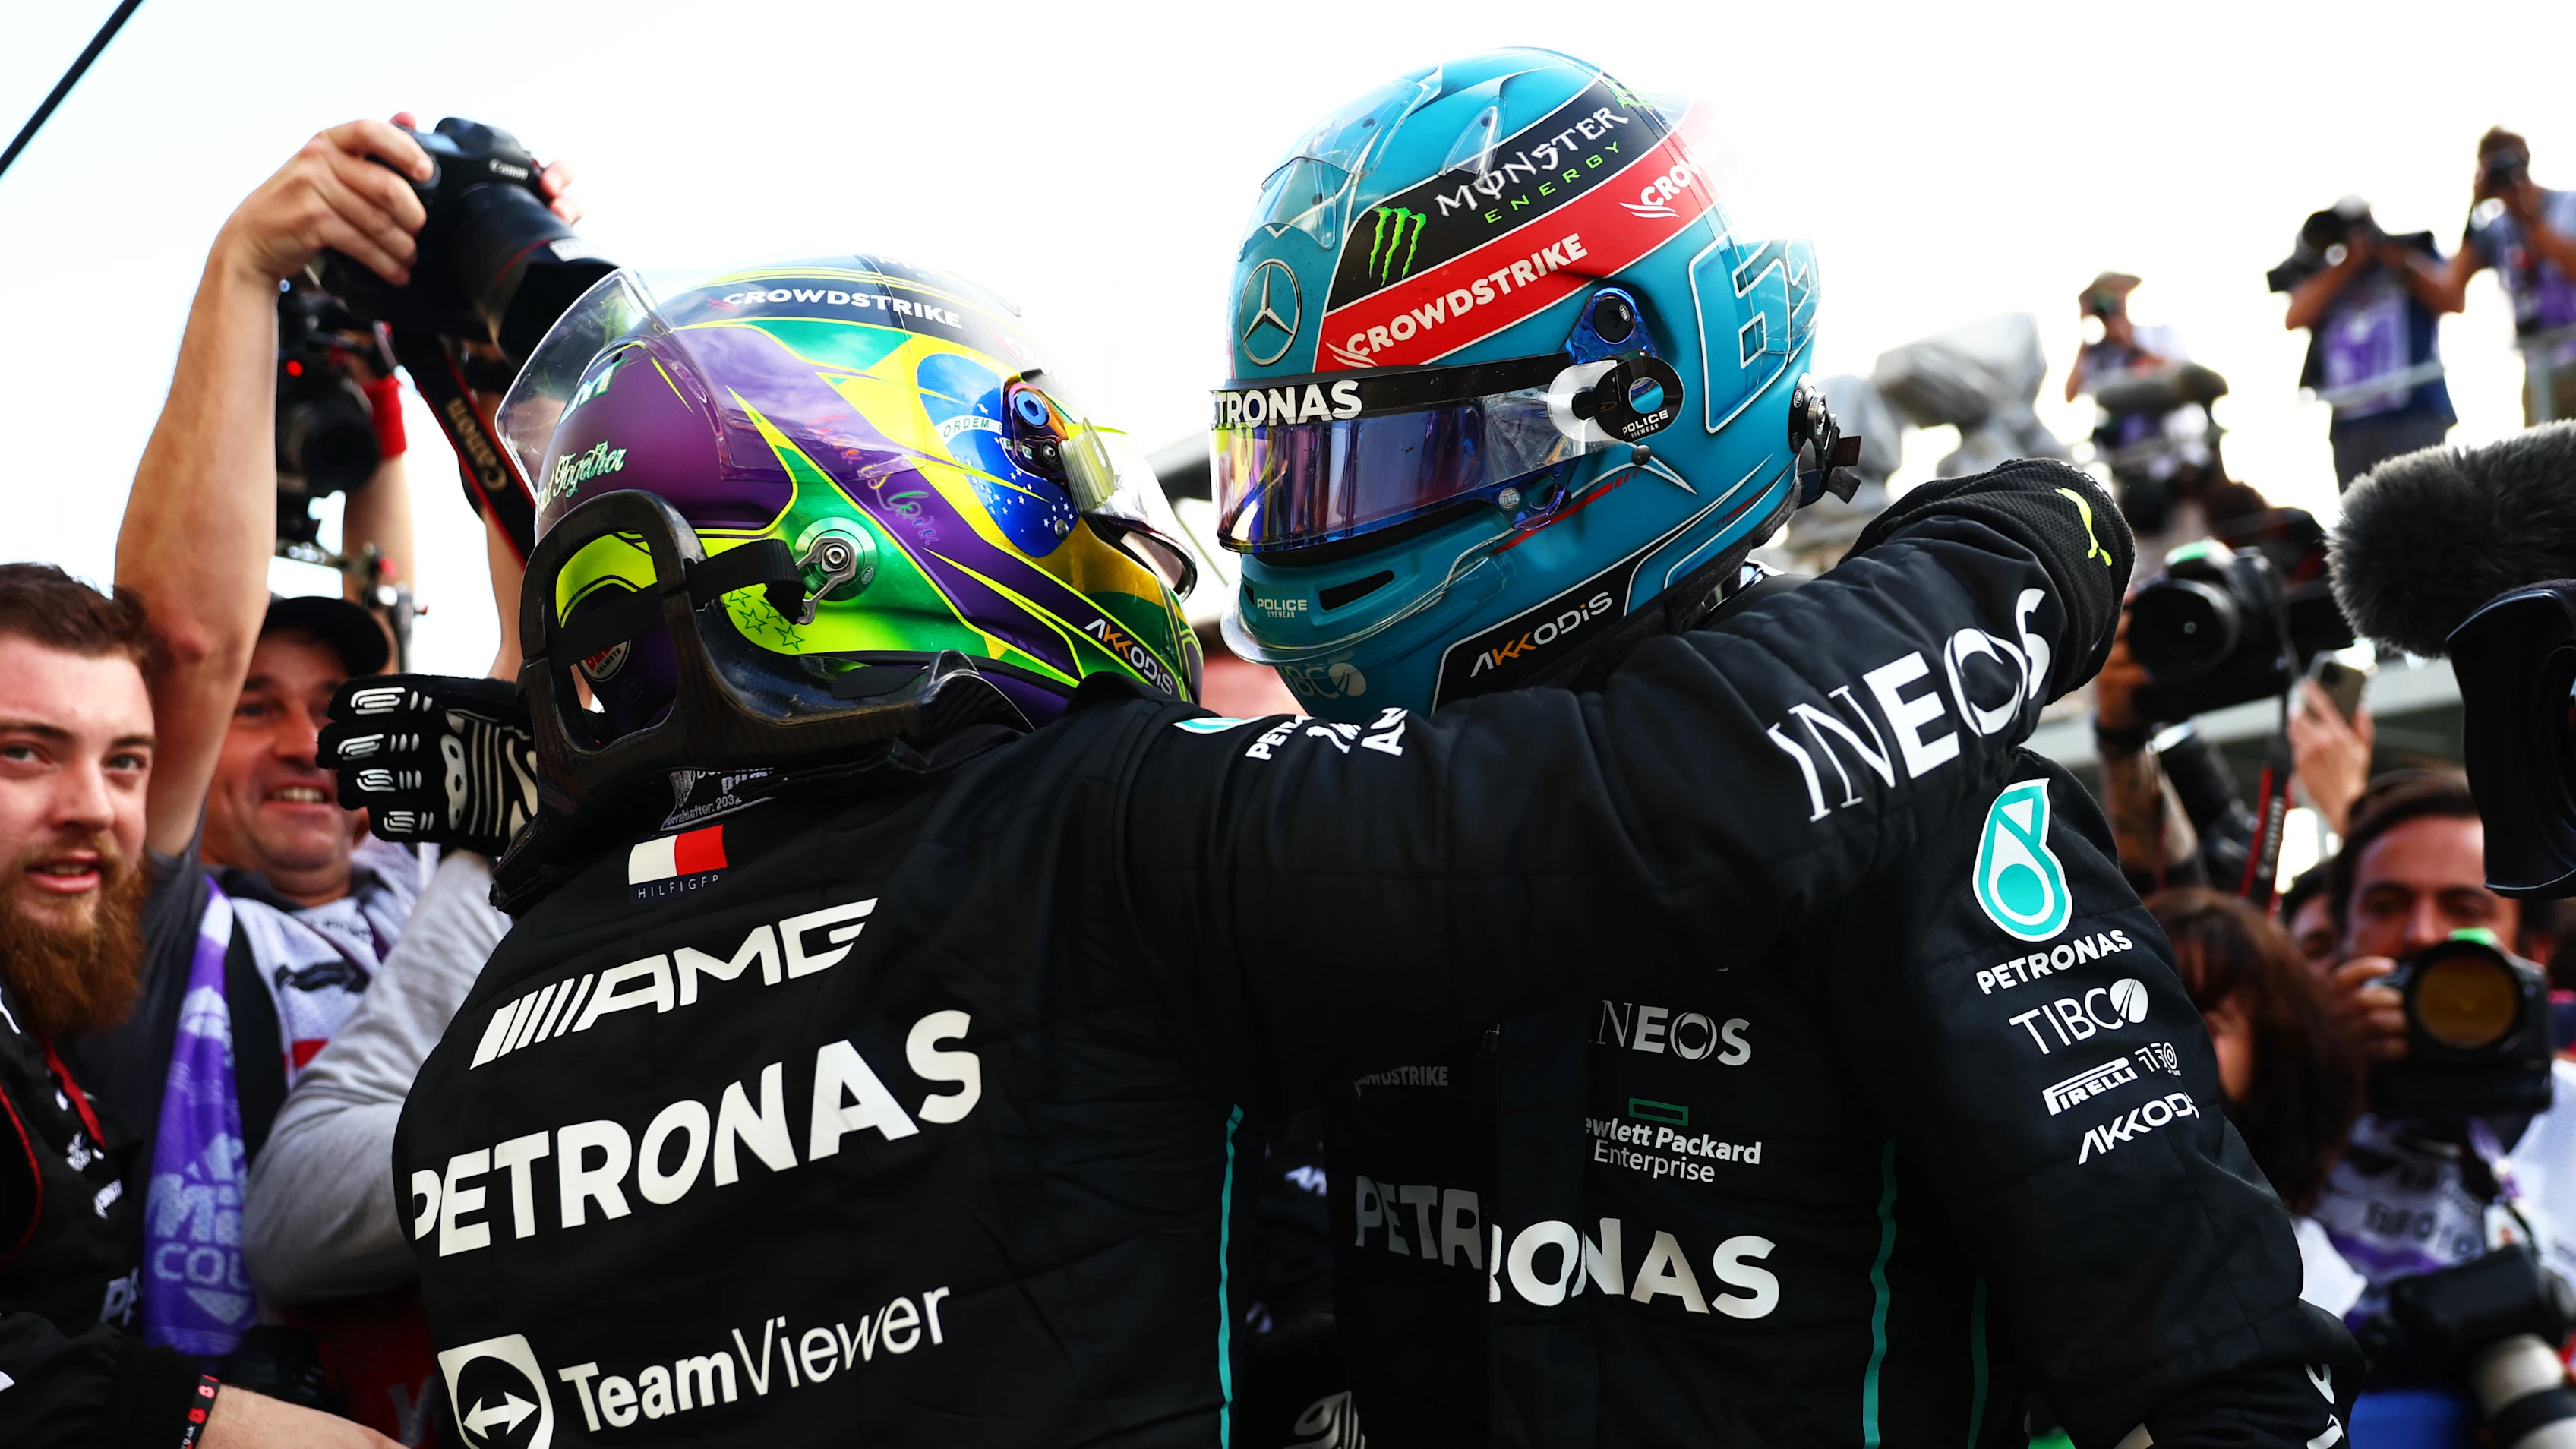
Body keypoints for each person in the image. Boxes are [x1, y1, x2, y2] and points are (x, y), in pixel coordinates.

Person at [339, 198, 2161, 1448]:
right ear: (887, 530)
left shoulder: (482, 1050)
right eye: (1035, 479)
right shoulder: (1091, 838)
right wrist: (2013, 551)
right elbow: (1663, 802)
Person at [64, 114, 565, 1419]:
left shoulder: (424, 860)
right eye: (257, 707)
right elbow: (180, 639)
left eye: (338, 708)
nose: (308, 745)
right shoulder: (146, 929)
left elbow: (537, 649)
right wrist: (248, 270)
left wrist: (463, 352)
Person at [0, 564, 394, 1447]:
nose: (93, 808)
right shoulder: (155, 933)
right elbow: (192, 639)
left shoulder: (421, 894)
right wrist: (202, 1420)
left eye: (126, 762)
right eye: (23, 751)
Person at [2307, 773, 2576, 1443]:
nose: (2423, 935)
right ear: (2339, 935)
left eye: (2466, 908)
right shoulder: (2270, 1101)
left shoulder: (2568, 1119)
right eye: (2386, 905)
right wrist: (2309, 1082)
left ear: (2534, 953)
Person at [2271, 197, 2459, 491]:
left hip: (2414, 413)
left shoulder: (2410, 253)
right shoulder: (2328, 273)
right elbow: (2295, 317)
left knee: (2423, 512)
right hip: (2352, 425)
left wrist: (2396, 258)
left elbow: (2451, 298)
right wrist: (2346, 266)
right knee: (2361, 524)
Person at [2424, 128, 2576, 426]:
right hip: (2538, 372)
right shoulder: (2493, 229)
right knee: (2542, 470)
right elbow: (2451, 292)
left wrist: (2530, 220)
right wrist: (2474, 209)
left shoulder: (2567, 204)